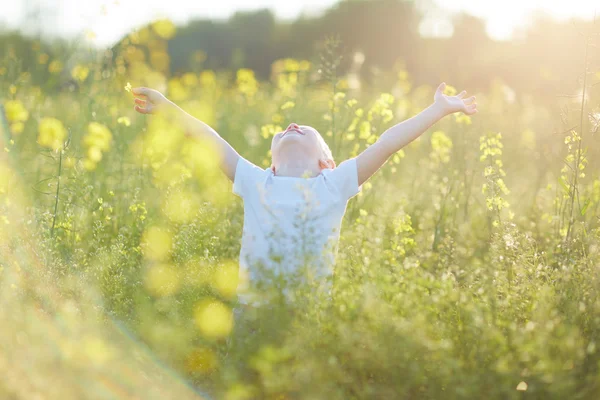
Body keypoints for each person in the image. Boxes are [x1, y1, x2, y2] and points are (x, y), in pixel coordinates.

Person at [131, 82, 477, 308]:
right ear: (271, 163)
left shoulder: (333, 185)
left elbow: (387, 143)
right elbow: (209, 140)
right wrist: (168, 109)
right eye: (282, 132)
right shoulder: (256, 182)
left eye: (304, 130)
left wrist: (439, 109)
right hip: (252, 315)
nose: (291, 127)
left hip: (305, 316)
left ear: (327, 162)